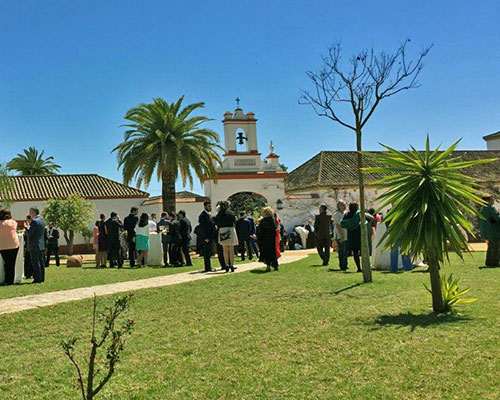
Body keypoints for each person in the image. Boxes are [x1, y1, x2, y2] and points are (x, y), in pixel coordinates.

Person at [215, 201, 238, 272]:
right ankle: (232, 265)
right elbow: (234, 221)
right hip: (231, 229)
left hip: (222, 230)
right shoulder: (231, 213)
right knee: (231, 249)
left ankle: (226, 265)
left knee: (224, 249)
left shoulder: (218, 214)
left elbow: (217, 223)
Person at [25, 206, 46, 283]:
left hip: (34, 244)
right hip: (40, 244)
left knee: (35, 262)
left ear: (33, 212)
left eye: (30, 212)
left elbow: (30, 232)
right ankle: (42, 278)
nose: (30, 214)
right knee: (41, 262)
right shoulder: (41, 220)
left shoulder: (34, 221)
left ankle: (37, 278)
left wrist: (26, 227)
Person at [341, 203, 363, 273]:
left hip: (351, 235)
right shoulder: (359, 214)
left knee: (355, 253)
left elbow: (342, 223)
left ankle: (359, 267)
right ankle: (364, 266)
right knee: (363, 251)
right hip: (359, 234)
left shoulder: (347, 215)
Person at [0, 209, 20, 285]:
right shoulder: (13, 223)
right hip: (14, 245)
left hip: (3, 245)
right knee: (12, 264)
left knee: (6, 263)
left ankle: (6, 280)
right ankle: (10, 280)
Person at [480, 195, 500, 267]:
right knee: (496, 248)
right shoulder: (491, 208)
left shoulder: (483, 209)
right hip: (494, 231)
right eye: (492, 199)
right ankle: (495, 262)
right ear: (488, 201)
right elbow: (497, 217)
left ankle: (489, 262)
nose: (493, 201)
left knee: (490, 247)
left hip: (487, 231)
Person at [257, 207, 279, 272]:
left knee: (266, 253)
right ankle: (275, 266)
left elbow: (261, 231)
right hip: (271, 238)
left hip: (265, 239)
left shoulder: (263, 221)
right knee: (273, 253)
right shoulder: (273, 220)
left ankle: (268, 265)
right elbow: (275, 229)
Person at [198, 201, 216, 272]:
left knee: (209, 252)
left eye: (210, 206)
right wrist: (205, 237)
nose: (210, 207)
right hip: (207, 237)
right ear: (205, 206)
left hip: (210, 236)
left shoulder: (209, 215)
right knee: (207, 253)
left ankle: (209, 266)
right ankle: (207, 267)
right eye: (209, 206)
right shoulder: (202, 215)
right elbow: (202, 228)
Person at [332, 200, 348, 271]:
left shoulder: (345, 213)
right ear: (338, 206)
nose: (344, 206)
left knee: (346, 251)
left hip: (346, 234)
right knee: (342, 251)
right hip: (340, 235)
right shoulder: (337, 214)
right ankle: (342, 265)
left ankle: (345, 264)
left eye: (345, 205)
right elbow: (338, 226)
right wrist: (342, 236)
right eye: (342, 205)